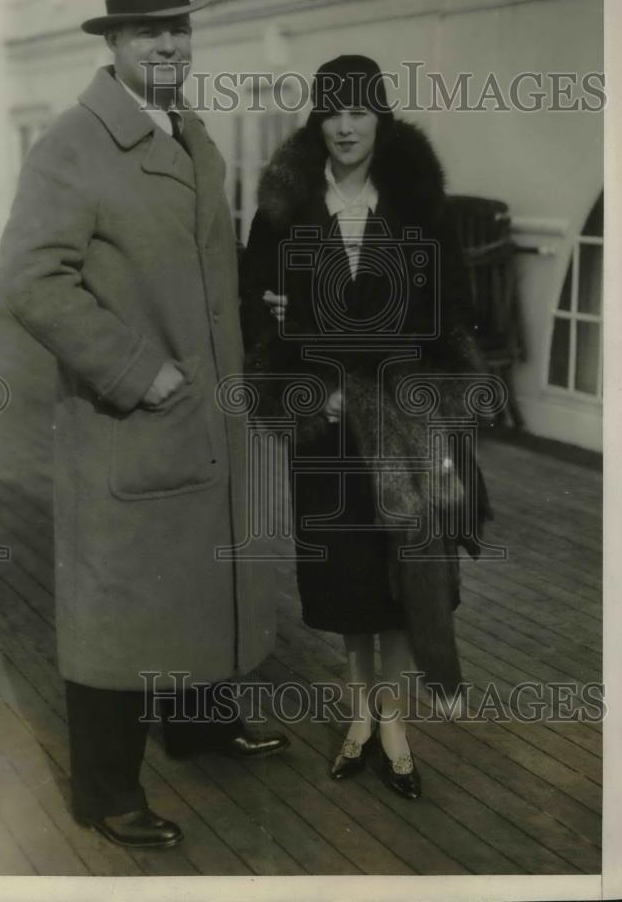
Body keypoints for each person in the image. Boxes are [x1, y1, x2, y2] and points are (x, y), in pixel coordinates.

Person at [0, 0, 288, 850]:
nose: (169, 44)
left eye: (180, 28)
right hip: (131, 418)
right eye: (148, 30)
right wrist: (134, 371)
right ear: (114, 41)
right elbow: (30, 279)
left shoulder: (186, 130)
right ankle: (104, 788)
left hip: (207, 415)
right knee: (118, 603)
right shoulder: (72, 145)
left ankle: (201, 727)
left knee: (202, 572)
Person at [239, 55, 492, 800]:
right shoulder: (285, 208)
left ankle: (395, 722)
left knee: (407, 575)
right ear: (316, 122)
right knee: (348, 580)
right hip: (326, 424)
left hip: (407, 424)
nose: (345, 127)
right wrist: (300, 388)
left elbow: (449, 312)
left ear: (380, 118)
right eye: (331, 112)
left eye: (359, 111)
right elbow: (256, 311)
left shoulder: (419, 207)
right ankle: (359, 714)